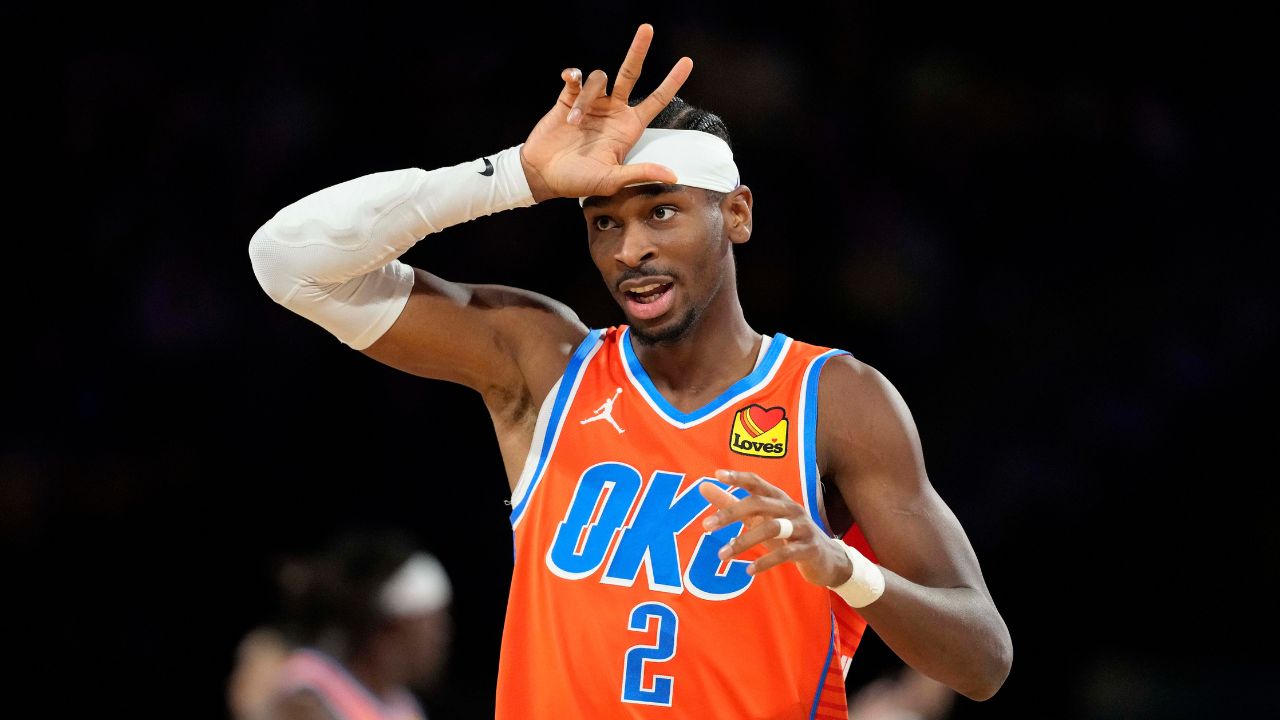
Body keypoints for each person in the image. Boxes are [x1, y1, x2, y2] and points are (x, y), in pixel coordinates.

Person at [248, 23, 1011, 719]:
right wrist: (517, 176)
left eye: (661, 212)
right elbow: (288, 262)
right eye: (604, 222)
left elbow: (984, 661)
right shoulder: (545, 363)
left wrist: (842, 567)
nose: (629, 249)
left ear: (736, 214)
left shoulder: (837, 400)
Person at [264, 533, 453, 720]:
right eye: (433, 624)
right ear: (391, 626)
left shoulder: (405, 707)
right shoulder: (310, 694)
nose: (441, 637)